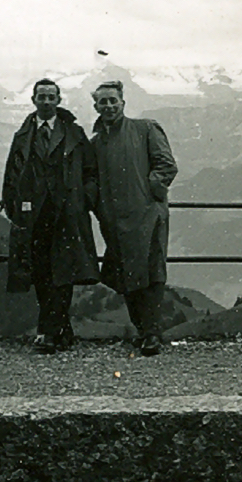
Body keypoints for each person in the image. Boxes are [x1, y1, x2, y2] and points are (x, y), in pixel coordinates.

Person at [2, 78, 100, 354]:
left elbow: (91, 172)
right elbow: (11, 173)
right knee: (41, 272)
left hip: (66, 214)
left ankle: (49, 331)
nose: (46, 101)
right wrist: (13, 207)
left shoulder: (74, 133)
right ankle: (60, 329)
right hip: (34, 215)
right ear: (33, 100)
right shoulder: (23, 135)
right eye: (41, 97)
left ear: (58, 100)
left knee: (63, 272)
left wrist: (83, 201)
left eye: (51, 97)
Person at [90, 80, 177, 356]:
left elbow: (166, 166)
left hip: (147, 215)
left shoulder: (145, 129)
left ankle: (152, 333)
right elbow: (90, 178)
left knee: (151, 271)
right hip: (114, 220)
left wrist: (149, 192)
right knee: (126, 273)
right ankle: (142, 331)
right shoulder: (96, 143)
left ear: (123, 103)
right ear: (96, 106)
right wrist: (99, 205)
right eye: (103, 102)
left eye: (113, 100)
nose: (109, 106)